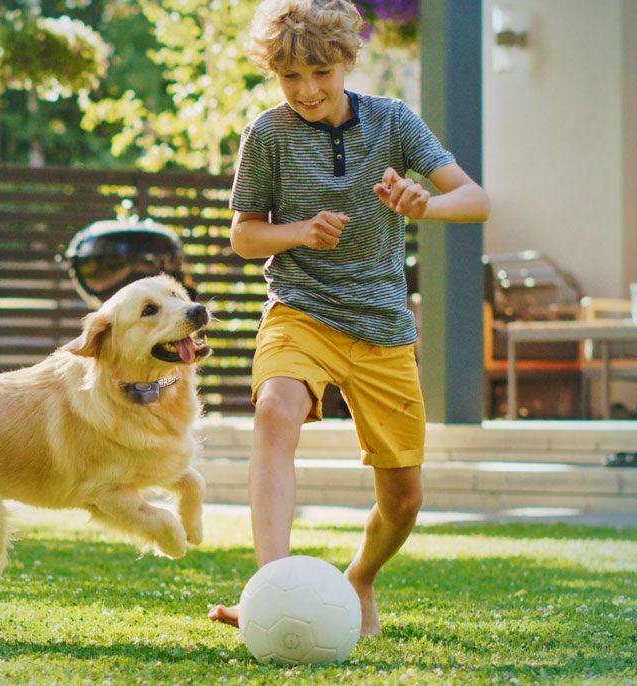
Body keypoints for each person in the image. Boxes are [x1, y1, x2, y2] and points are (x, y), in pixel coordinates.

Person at [206, 0, 491, 637]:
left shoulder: (393, 122)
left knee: (404, 499)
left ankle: (358, 578)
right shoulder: (268, 135)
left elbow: (475, 199)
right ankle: (272, 591)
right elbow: (245, 236)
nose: (306, 90)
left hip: (382, 324)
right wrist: (300, 232)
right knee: (275, 409)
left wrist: (424, 205)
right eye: (290, 77)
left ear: (347, 61)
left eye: (320, 73)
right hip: (299, 309)